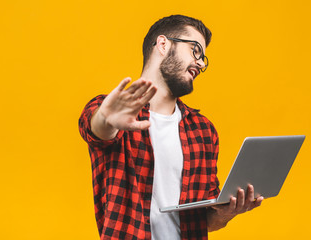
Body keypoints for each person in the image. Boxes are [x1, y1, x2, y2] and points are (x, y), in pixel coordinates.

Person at [79, 14, 263, 240]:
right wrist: (106, 118)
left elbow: (204, 222)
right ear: (163, 44)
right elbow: (96, 130)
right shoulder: (113, 111)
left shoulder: (204, 132)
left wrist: (226, 214)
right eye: (195, 50)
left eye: (204, 57)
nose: (201, 63)